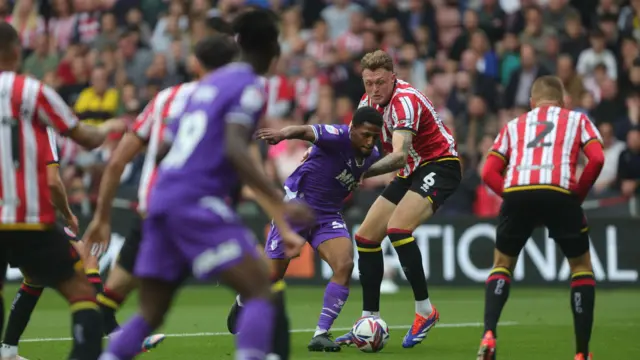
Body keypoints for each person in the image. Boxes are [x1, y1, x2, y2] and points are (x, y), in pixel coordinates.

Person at [96, 9, 310, 360]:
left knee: (151, 312)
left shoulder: (205, 87)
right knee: (259, 288)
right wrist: (279, 203)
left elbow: (169, 146)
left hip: (160, 197)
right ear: (274, 48)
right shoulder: (251, 86)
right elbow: (235, 147)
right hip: (195, 199)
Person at [79, 35, 238, 350]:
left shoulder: (164, 99)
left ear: (194, 63)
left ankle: (92, 347)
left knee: (117, 297)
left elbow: (116, 162)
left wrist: (101, 217)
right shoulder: (228, 100)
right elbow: (238, 160)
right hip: (199, 213)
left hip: (153, 211)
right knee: (260, 283)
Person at [0, 21, 124, 360]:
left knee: (32, 282)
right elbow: (83, 136)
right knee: (81, 290)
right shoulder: (33, 92)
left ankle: (7, 348)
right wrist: (111, 126)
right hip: (28, 218)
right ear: (16, 51)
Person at [227, 106, 384, 352]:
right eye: (365, 134)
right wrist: (282, 134)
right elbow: (305, 130)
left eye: (375, 136)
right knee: (273, 275)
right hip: (297, 208)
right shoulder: (336, 135)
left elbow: (377, 165)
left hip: (328, 215)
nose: (370, 140)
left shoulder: (371, 154)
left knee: (344, 265)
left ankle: (320, 334)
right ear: (352, 129)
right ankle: (245, 296)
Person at [335, 50, 460, 349]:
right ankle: (369, 321)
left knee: (399, 228)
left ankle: (425, 311)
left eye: (380, 82)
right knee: (365, 237)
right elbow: (351, 142)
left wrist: (362, 172)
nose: (374, 89)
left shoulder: (405, 101)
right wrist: (320, 153)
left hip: (439, 164)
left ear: (393, 77)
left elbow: (399, 154)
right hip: (409, 171)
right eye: (368, 83)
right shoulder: (366, 103)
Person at [478, 75, 604, 360]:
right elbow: (596, 158)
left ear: (532, 103)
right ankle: (582, 353)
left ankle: (489, 334)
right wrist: (577, 197)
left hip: (519, 190)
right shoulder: (577, 119)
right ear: (563, 101)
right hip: (560, 190)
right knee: (581, 268)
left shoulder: (514, 125)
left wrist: (511, 197)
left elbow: (488, 173)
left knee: (502, 265)